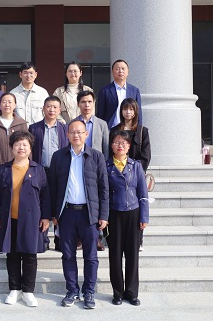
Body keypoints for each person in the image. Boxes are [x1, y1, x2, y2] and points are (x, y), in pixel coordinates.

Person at [48, 119, 109, 310]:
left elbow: (104, 188)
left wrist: (103, 215)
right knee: (68, 255)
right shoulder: (58, 156)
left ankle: (89, 291)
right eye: (72, 132)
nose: (76, 135)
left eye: (79, 132)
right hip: (66, 213)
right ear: (67, 135)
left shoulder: (96, 156)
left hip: (89, 214)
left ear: (86, 134)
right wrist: (53, 214)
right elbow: (52, 187)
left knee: (91, 256)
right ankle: (72, 290)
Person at [0, 131, 51, 307]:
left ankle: (28, 291)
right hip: (10, 219)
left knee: (30, 255)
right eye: (17, 144)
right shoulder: (4, 170)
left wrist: (46, 217)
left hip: (32, 220)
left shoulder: (38, 170)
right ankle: (14, 289)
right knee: (13, 255)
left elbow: (45, 195)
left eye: (25, 144)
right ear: (12, 147)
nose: (21, 148)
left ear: (30, 148)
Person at [107, 130, 149, 306]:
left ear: (129, 146)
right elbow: (104, 194)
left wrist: (144, 216)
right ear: (112, 146)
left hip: (133, 213)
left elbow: (143, 193)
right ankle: (117, 292)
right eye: (117, 142)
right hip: (114, 214)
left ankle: (131, 292)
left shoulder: (136, 166)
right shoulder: (106, 166)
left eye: (124, 143)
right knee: (115, 255)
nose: (120, 145)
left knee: (132, 255)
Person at [29, 95, 69, 251]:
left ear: (59, 110)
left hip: (60, 172)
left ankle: (59, 240)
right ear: (43, 109)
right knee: (42, 205)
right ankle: (43, 239)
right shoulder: (34, 128)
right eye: (49, 106)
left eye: (55, 107)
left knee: (59, 205)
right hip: (41, 171)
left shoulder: (65, 129)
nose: (52, 110)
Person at [110, 98, 151, 250]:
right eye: (125, 109)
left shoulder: (142, 131)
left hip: (135, 174)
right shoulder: (115, 130)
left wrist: (135, 170)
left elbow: (146, 155)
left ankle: (138, 240)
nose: (128, 112)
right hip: (117, 172)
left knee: (137, 205)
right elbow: (110, 152)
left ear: (135, 112)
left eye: (131, 109)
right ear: (121, 111)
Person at [0, 93, 28, 178]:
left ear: (15, 105)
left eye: (10, 102)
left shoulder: (22, 124)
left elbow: (27, 148)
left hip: (18, 169)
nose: (7, 105)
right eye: (4, 102)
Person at [97, 59, 143, 128]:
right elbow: (100, 113)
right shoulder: (105, 91)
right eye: (117, 69)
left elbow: (138, 113)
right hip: (111, 129)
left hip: (129, 129)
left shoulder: (134, 91)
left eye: (123, 69)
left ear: (128, 72)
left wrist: (139, 129)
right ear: (112, 72)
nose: (120, 71)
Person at [10, 62, 48, 126]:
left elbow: (47, 113)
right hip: (19, 130)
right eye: (25, 73)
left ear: (35, 75)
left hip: (39, 129)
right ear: (20, 74)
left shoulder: (42, 93)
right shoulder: (13, 94)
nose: (28, 76)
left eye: (31, 73)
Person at [76, 90, 110, 161]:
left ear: (94, 103)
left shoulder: (102, 124)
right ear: (78, 104)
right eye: (83, 102)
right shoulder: (71, 124)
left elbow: (106, 147)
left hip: (96, 162)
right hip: (77, 160)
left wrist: (105, 163)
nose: (87, 105)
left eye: (90, 102)